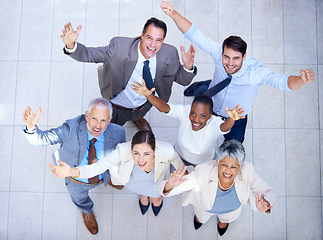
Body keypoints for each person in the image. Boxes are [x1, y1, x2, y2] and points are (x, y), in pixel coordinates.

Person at [160, 1, 315, 143]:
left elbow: (282, 82)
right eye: (226, 57)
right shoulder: (219, 52)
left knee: (232, 149)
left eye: (236, 58)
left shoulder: (255, 72)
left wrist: (302, 80)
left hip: (235, 117)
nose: (230, 63)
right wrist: (172, 13)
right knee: (203, 101)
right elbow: (194, 34)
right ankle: (201, 86)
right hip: (212, 103)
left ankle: (203, 86)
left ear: (244, 56)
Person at [61, 17, 197, 131]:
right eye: (149, 38)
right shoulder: (119, 48)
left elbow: (182, 80)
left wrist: (187, 67)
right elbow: (89, 55)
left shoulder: (170, 54)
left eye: (158, 40)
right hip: (117, 104)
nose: (153, 45)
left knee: (139, 112)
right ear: (142, 35)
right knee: (111, 127)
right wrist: (71, 45)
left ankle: (136, 119)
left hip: (144, 104)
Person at [22, 98, 126, 235]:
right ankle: (86, 211)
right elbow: (41, 139)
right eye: (94, 118)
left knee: (109, 174)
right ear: (87, 115)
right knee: (80, 198)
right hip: (76, 180)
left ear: (110, 119)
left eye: (103, 120)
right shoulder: (70, 129)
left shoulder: (118, 132)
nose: (98, 126)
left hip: (101, 173)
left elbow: (121, 154)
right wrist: (31, 128)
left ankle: (107, 179)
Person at [49, 131, 184, 217]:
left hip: (155, 184)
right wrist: (71, 171)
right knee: (143, 193)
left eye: (146, 154)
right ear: (131, 149)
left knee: (156, 198)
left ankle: (154, 201)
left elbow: (180, 167)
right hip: (133, 182)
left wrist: (179, 181)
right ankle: (143, 196)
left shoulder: (167, 151)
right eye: (136, 153)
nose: (141, 159)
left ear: (154, 151)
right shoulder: (122, 151)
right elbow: (96, 168)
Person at [159, 140, 276, 236]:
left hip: (231, 210)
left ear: (240, 166)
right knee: (202, 217)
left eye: (234, 167)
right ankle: (201, 219)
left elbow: (268, 191)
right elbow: (177, 188)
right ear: (217, 162)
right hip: (205, 208)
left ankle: (223, 222)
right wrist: (170, 185)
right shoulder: (203, 172)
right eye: (224, 164)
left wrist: (266, 203)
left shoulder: (247, 171)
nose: (228, 171)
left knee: (226, 218)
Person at [131, 79, 245, 166]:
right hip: (179, 156)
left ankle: (202, 86)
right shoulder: (184, 112)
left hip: (205, 161)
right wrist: (148, 95)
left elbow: (224, 128)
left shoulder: (214, 123)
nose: (196, 120)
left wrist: (232, 119)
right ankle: (199, 87)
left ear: (210, 116)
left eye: (203, 116)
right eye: (193, 113)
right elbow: (164, 108)